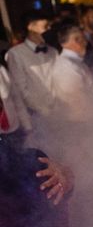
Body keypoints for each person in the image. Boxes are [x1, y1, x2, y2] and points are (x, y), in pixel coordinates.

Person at [5, 10, 57, 145]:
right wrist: (30, 123)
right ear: (30, 27)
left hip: (60, 113)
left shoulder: (53, 51)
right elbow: (21, 90)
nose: (49, 30)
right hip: (37, 117)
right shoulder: (16, 54)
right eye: (45, 27)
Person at [49, 24, 93, 124]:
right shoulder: (67, 66)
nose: (86, 43)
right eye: (83, 39)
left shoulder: (74, 62)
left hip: (83, 120)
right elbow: (78, 100)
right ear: (75, 40)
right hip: (80, 122)